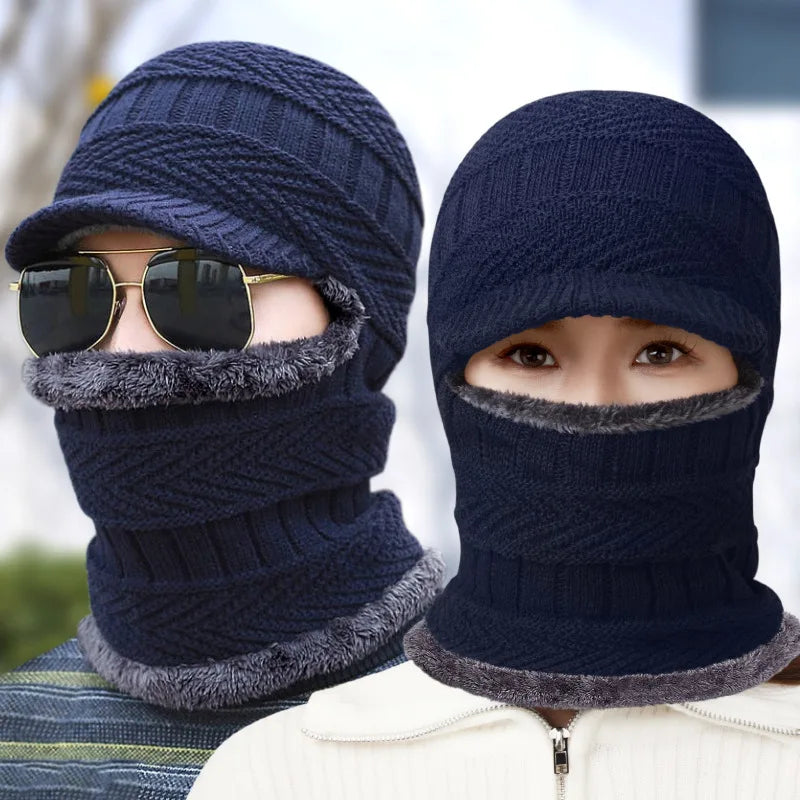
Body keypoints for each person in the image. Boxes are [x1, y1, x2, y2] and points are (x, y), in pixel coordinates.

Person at [187, 90, 800, 800]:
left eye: (660, 353)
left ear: (753, 372)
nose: (593, 405)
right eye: (531, 355)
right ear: (450, 381)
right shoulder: (278, 776)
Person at [0, 40, 443, 799]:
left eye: (198, 289)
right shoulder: (17, 733)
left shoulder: (523, 726)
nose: (120, 352)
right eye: (72, 296)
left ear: (358, 329)